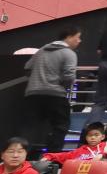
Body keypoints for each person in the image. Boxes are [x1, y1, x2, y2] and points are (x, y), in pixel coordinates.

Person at [23, 26, 81, 157]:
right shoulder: (69, 53)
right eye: (78, 37)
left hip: (32, 94)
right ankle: (52, 158)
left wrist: (36, 80)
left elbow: (27, 67)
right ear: (69, 37)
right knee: (60, 126)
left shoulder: (42, 50)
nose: (79, 41)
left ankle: (24, 158)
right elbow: (69, 76)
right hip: (56, 95)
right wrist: (61, 85)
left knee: (30, 128)